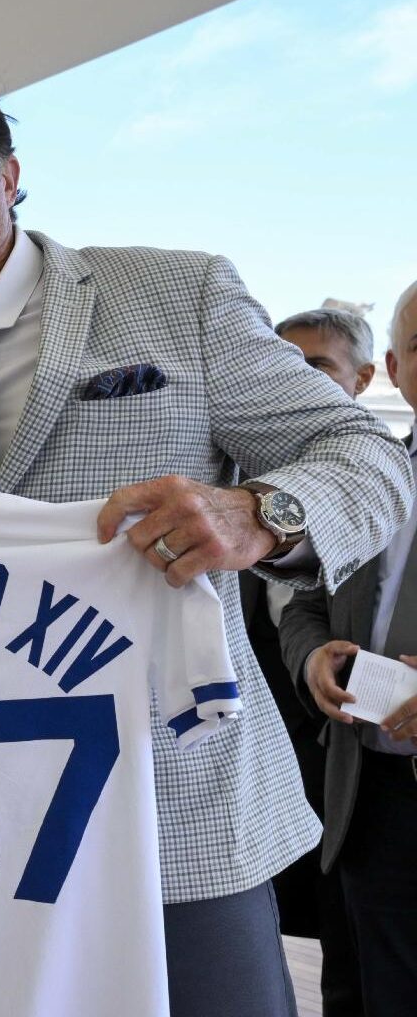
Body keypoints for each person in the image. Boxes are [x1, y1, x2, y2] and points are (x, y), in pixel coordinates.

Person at [0, 71, 413, 1017]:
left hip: (173, 811)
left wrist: (262, 514)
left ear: (9, 173)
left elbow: (370, 458)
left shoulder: (178, 295)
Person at [279, 279, 417, 1017]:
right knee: (355, 991)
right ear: (394, 369)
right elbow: (307, 601)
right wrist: (312, 656)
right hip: (362, 798)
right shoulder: (370, 479)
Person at [244, 308, 376, 1013]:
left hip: (350, 766)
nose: (293, 379)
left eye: (315, 365)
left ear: (364, 378)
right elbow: (299, 614)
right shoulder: (227, 487)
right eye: (279, 362)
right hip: (255, 766)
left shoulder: (379, 488)